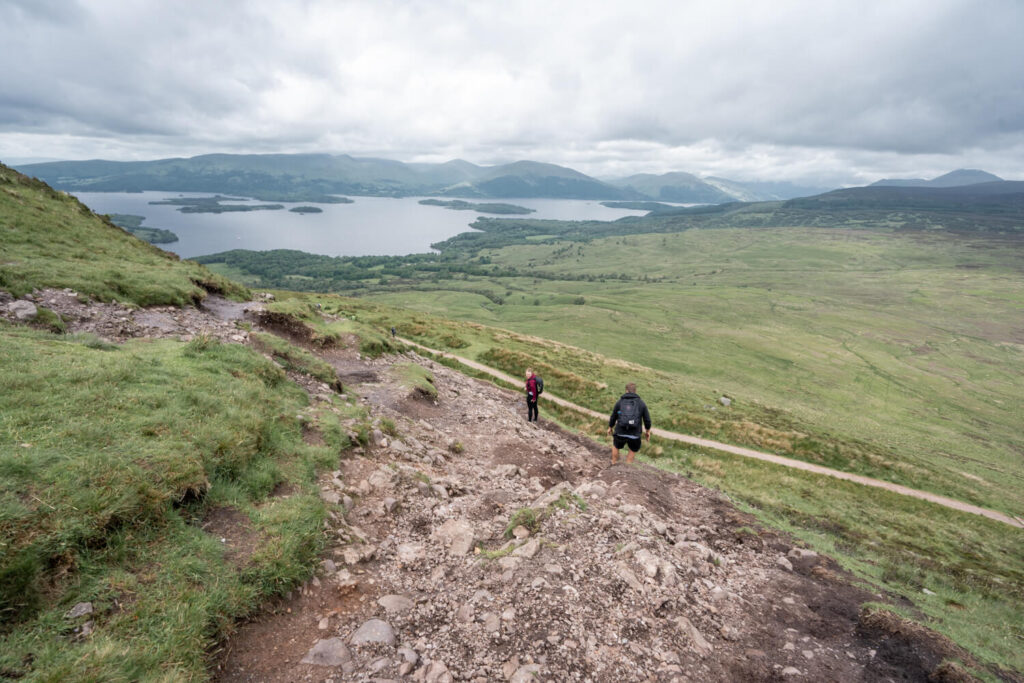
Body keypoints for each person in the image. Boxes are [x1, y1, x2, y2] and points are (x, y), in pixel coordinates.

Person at [607, 382, 651, 465]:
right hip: (635, 433)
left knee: (616, 446)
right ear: (635, 391)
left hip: (620, 431)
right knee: (633, 449)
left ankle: (613, 462)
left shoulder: (620, 402)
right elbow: (647, 419)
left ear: (626, 390)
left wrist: (610, 427)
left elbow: (613, 416)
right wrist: (647, 431)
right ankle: (627, 467)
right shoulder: (641, 403)